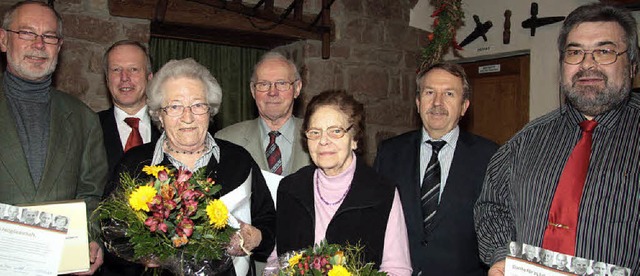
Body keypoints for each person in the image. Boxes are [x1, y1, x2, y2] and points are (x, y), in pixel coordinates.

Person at [474, 3, 640, 275]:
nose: (587, 63)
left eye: (604, 51)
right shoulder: (524, 142)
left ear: (632, 65)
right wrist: (501, 255)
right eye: (575, 52)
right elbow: (493, 207)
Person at [107, 58, 275, 276]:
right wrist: (142, 255)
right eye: (175, 106)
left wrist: (254, 238)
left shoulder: (238, 160)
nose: (187, 117)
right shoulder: (134, 164)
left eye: (197, 105)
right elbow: (111, 236)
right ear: (160, 113)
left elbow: (270, 223)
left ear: (210, 110)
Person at [0, 1, 107, 274]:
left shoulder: (83, 118)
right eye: (26, 33)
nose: (39, 44)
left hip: (61, 266)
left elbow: (92, 194)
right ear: (3, 40)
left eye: (49, 36)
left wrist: (91, 237)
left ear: (59, 47)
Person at [374, 62, 498, 275]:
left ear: (464, 106)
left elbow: (498, 229)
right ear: (418, 101)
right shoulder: (390, 153)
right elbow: (375, 220)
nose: (437, 102)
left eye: (449, 94)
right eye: (430, 92)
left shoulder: (491, 157)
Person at [276, 90, 412, 275]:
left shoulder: (382, 193)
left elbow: (397, 269)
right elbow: (276, 260)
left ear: (355, 138)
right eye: (315, 132)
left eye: (336, 131)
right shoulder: (290, 189)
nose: (323, 141)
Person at [215, 51, 311, 176]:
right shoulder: (225, 140)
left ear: (297, 89)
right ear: (253, 91)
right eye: (263, 84)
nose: (272, 92)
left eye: (282, 83)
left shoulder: (319, 137)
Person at [99, 40, 161, 181]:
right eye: (116, 70)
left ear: (150, 78)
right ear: (107, 79)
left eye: (133, 69)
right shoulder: (89, 128)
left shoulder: (169, 128)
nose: (124, 78)